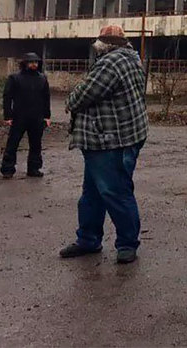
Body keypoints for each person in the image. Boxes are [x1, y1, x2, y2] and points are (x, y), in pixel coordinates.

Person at [59, 25, 148, 265]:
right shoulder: (131, 58)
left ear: (104, 44)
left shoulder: (111, 63)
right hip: (109, 139)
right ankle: (88, 239)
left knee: (114, 192)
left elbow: (81, 96)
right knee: (93, 194)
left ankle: (127, 244)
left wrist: (70, 99)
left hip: (110, 140)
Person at [0, 52, 51, 178]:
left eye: (36, 62)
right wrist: (8, 116)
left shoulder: (42, 78)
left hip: (37, 117)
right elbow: (7, 97)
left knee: (36, 144)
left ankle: (34, 169)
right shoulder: (14, 78)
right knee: (12, 144)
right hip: (19, 117)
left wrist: (47, 116)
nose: (34, 64)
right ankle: (7, 169)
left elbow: (46, 98)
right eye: (31, 62)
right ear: (25, 63)